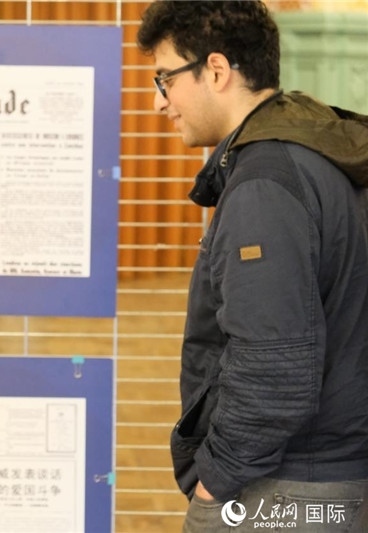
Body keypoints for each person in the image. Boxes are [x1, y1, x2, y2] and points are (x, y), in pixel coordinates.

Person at [136, 2, 368, 531]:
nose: (159, 101)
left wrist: (215, 484)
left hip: (289, 487)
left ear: (216, 70)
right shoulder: (312, 151)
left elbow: (275, 369)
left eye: (165, 78)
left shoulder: (266, 183)